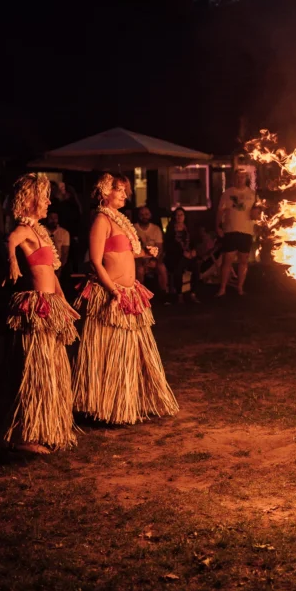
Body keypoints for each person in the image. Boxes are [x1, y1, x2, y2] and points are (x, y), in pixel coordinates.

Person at [0, 173, 80, 454]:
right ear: (30, 201)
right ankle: (24, 435)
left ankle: (46, 427)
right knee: (34, 369)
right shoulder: (25, 229)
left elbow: (52, 273)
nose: (47, 202)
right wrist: (12, 263)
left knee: (52, 369)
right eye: (43, 198)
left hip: (50, 304)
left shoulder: (41, 231)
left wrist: (64, 301)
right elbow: (11, 239)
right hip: (35, 306)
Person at [73, 173, 178, 425]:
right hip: (113, 295)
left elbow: (125, 253)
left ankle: (129, 401)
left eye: (124, 190)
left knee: (131, 351)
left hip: (130, 293)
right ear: (104, 192)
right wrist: (113, 290)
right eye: (118, 189)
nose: (124, 194)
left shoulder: (121, 219)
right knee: (111, 351)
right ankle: (106, 407)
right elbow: (96, 261)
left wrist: (144, 253)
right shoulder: (101, 220)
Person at [216, 167, 260, 297]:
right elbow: (220, 211)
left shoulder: (252, 195)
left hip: (246, 231)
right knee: (227, 260)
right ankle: (222, 288)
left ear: (246, 178)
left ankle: (240, 288)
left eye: (242, 177)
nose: (240, 179)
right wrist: (218, 226)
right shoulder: (227, 193)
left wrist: (256, 215)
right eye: (237, 177)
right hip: (230, 230)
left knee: (243, 261)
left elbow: (257, 212)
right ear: (234, 178)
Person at [163, 206, 199, 303]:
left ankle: (193, 293)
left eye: (181, 215)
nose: (179, 217)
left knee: (196, 268)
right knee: (178, 268)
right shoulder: (170, 229)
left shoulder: (189, 228)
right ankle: (179, 294)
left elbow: (194, 241)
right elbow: (168, 246)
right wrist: (182, 253)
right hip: (176, 256)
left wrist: (193, 250)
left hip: (189, 254)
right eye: (177, 215)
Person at [134, 206, 168, 293]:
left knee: (162, 268)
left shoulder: (156, 229)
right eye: (141, 214)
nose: (144, 216)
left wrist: (154, 260)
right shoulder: (133, 228)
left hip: (153, 258)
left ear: (150, 215)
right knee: (140, 270)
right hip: (139, 258)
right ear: (138, 215)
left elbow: (160, 248)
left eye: (146, 214)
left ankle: (164, 293)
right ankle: (139, 295)